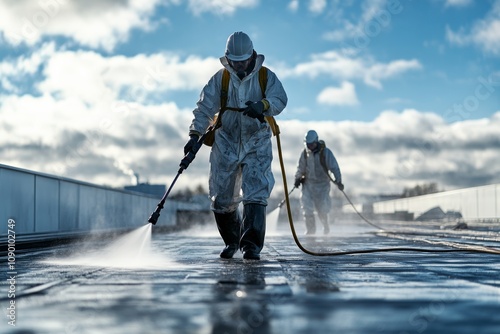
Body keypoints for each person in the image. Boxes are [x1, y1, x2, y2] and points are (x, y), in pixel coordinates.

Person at [183, 31, 288, 260]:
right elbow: (204, 109)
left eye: (243, 62)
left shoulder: (265, 77)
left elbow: (280, 99)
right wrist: (194, 135)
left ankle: (251, 245)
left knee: (255, 191)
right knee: (222, 197)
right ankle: (232, 240)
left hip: (256, 140)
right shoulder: (220, 80)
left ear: (252, 57)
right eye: (235, 62)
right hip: (226, 140)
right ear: (228, 59)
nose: (239, 67)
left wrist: (263, 105)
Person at [294, 130, 344, 235]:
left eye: (311, 144)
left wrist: (338, 181)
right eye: (308, 144)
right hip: (308, 184)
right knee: (307, 207)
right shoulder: (304, 154)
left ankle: (325, 226)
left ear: (316, 142)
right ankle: (310, 230)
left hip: (322, 185)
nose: (310, 146)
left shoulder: (326, 153)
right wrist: (297, 179)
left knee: (322, 208)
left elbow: (334, 168)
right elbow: (300, 168)